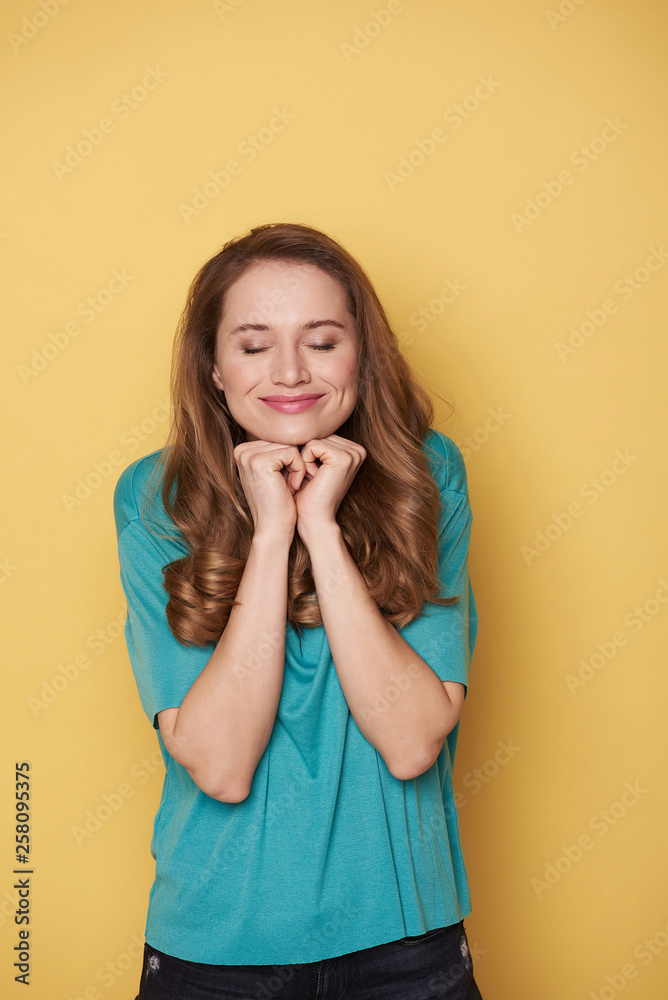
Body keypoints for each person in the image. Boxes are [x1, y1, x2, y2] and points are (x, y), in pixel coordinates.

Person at [113, 221, 484, 999]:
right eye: (252, 345)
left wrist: (321, 524)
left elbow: (412, 740)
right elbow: (220, 764)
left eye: (321, 340)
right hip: (214, 949)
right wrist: (273, 534)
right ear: (212, 368)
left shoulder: (428, 475)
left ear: (362, 356)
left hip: (405, 943)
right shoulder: (155, 498)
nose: (289, 371)